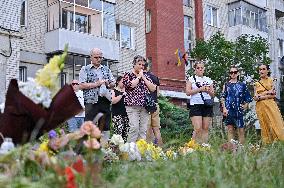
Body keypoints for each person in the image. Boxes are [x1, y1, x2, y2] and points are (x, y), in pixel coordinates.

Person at [79, 48, 115, 140]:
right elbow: (81, 85)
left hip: (105, 100)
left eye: (100, 57)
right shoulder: (85, 69)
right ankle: (87, 147)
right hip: (91, 101)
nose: (99, 59)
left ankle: (104, 147)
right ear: (91, 57)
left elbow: (113, 83)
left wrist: (107, 83)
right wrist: (97, 84)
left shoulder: (106, 69)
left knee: (105, 125)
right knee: (89, 124)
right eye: (96, 57)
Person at [123, 55, 156, 143]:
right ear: (134, 64)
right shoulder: (128, 75)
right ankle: (130, 151)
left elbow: (153, 88)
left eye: (143, 65)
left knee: (143, 130)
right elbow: (131, 85)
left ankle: (140, 151)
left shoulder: (145, 76)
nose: (141, 66)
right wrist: (138, 77)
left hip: (144, 107)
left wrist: (143, 77)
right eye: (139, 64)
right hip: (132, 106)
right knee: (134, 128)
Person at [221, 66, 252, 144]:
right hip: (229, 110)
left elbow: (248, 97)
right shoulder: (226, 85)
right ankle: (231, 149)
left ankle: (242, 149)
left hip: (238, 110)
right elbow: (222, 97)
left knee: (240, 130)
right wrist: (224, 108)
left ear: (238, 73)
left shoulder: (242, 85)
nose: (233, 74)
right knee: (230, 130)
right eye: (231, 72)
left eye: (235, 72)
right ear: (229, 74)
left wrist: (246, 105)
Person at [254, 64, 284, 144]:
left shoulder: (272, 80)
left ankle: (280, 142)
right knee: (264, 125)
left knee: (276, 123)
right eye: (260, 69)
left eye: (263, 69)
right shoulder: (256, 83)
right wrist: (267, 92)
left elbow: (273, 95)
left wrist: (260, 95)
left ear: (267, 71)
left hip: (271, 106)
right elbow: (255, 97)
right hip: (260, 107)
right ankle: (267, 144)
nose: (261, 71)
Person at [186, 61, 214, 144]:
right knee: (198, 128)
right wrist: (200, 89)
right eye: (198, 68)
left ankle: (204, 147)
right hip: (196, 104)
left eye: (202, 68)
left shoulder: (208, 80)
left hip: (207, 104)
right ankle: (192, 147)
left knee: (205, 128)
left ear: (204, 69)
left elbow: (213, 94)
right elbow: (187, 92)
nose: (200, 69)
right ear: (195, 69)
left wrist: (208, 90)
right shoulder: (191, 79)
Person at [144, 62, 163, 147]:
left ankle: (148, 149)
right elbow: (158, 94)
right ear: (148, 67)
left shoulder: (141, 77)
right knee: (156, 128)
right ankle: (160, 148)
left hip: (145, 105)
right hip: (155, 104)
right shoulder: (155, 78)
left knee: (147, 128)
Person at [111, 76, 129, 143]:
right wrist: (122, 94)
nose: (124, 83)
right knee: (118, 134)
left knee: (125, 134)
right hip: (117, 115)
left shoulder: (127, 91)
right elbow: (113, 101)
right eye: (122, 81)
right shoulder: (113, 91)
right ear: (118, 82)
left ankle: (123, 150)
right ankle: (116, 150)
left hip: (126, 115)